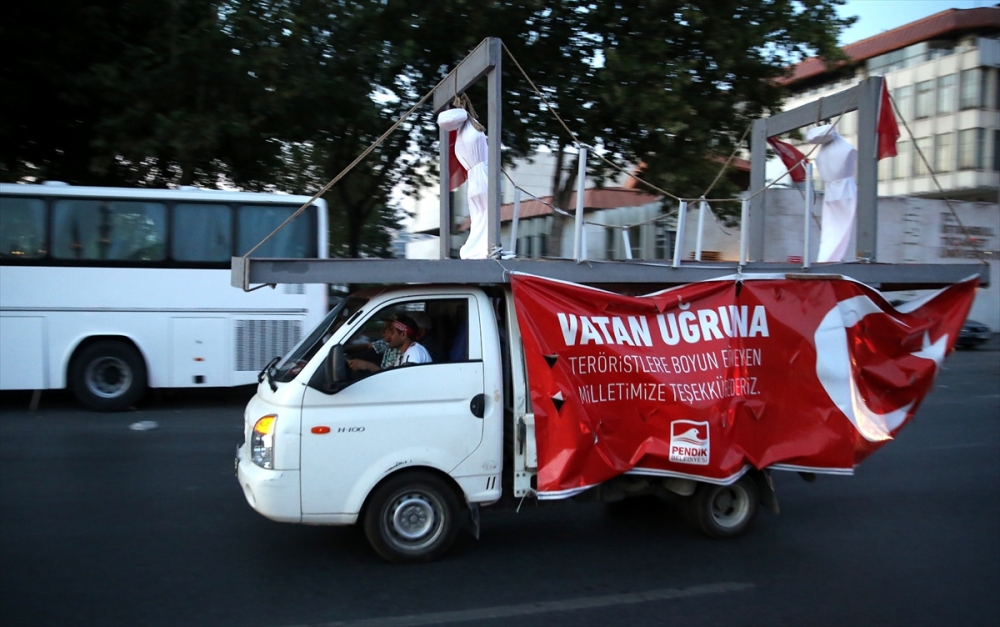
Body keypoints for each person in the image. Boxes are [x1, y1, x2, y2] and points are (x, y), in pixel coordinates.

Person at [348, 313, 431, 372]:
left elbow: (402, 380)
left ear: (403, 335)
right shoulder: (405, 354)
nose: (386, 334)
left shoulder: (414, 351)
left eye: (391, 331)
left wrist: (368, 366)